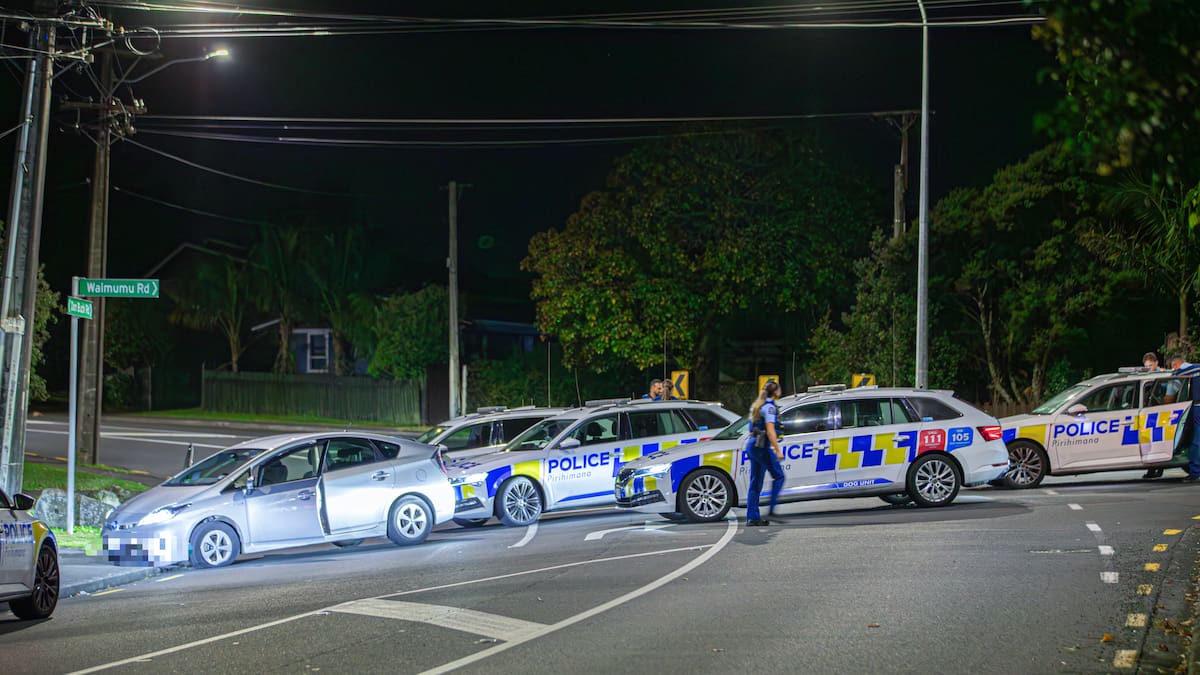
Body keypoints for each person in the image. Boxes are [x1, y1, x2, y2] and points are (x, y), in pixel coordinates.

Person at [745, 380, 785, 526]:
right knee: (779, 476)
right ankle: (772, 511)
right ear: (775, 392)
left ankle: (752, 517)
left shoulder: (757, 405)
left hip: (752, 445)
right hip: (761, 447)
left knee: (755, 483)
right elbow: (770, 430)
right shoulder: (769, 407)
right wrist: (778, 450)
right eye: (779, 389)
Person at [1169, 354, 1200, 481]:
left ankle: (1195, 472)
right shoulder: (1198, 367)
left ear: (1175, 365)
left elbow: (1169, 396)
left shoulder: (1180, 373)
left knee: (1196, 441)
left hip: (1197, 407)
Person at [1142, 351, 1166, 478]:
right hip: (1149, 414)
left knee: (1158, 441)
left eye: (1151, 365)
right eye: (1146, 366)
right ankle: (1153, 468)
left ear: (1156, 363)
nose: (1149, 368)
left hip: (1162, 413)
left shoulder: (1163, 376)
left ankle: (1157, 468)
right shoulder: (1146, 378)